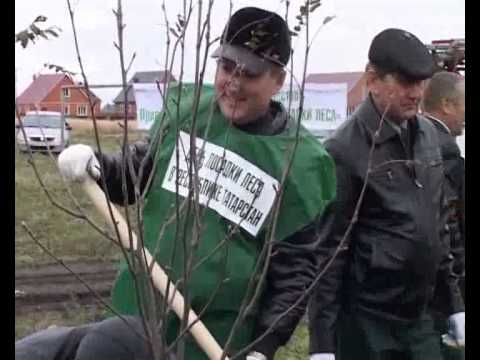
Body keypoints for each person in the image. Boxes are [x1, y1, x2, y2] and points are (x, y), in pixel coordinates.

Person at [16, 7, 336, 360]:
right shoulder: (188, 113)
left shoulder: (298, 163)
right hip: (136, 320)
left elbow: (295, 271)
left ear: (277, 80)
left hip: (216, 340)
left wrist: (263, 346)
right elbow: (136, 173)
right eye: (226, 68)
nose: (232, 83)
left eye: (249, 74)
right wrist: (98, 165)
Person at [308, 29, 465, 360]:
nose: (417, 93)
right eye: (406, 82)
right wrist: (322, 344)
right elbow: (328, 252)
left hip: (420, 318)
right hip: (367, 324)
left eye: (421, 83)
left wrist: (455, 305)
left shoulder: (426, 137)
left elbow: (440, 226)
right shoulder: (344, 150)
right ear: (373, 79)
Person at [422, 71, 465, 360]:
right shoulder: (446, 155)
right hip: (444, 294)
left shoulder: (412, 139)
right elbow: (452, 231)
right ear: (448, 104)